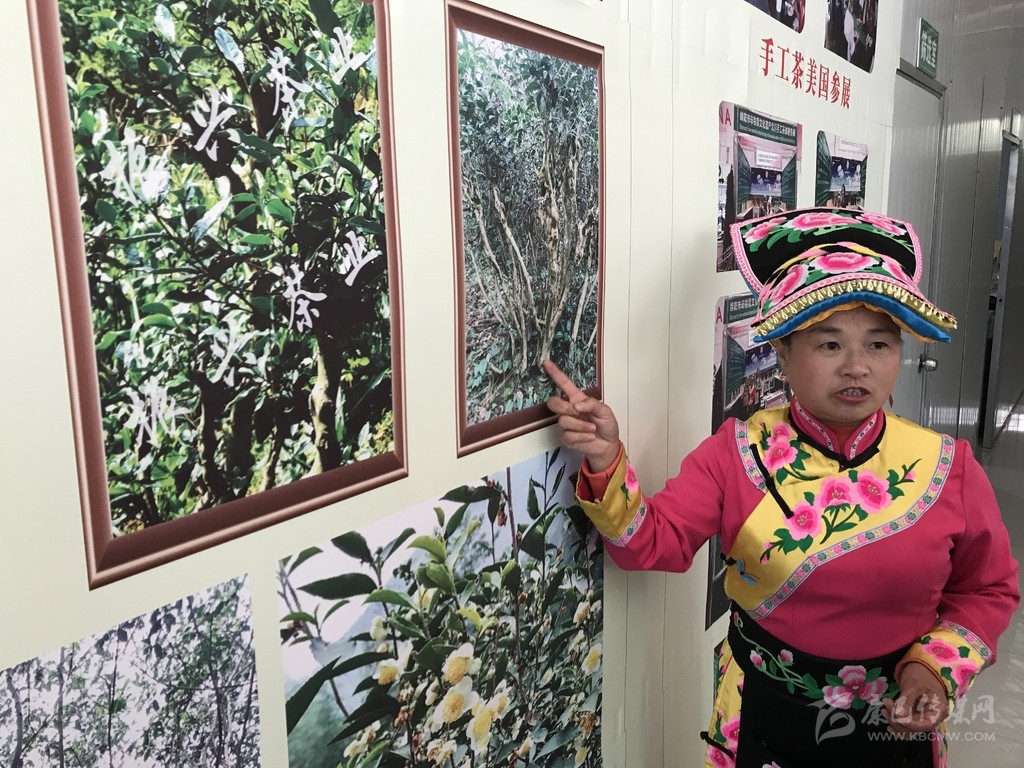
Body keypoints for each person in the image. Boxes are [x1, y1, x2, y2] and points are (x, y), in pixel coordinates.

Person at [544, 206, 1020, 768]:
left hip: (896, 720)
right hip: (763, 714)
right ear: (784, 355)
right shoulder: (737, 453)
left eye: (879, 344)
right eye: (829, 345)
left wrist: (934, 670)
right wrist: (605, 458)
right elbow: (650, 544)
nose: (857, 367)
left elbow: (988, 590)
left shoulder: (947, 466)